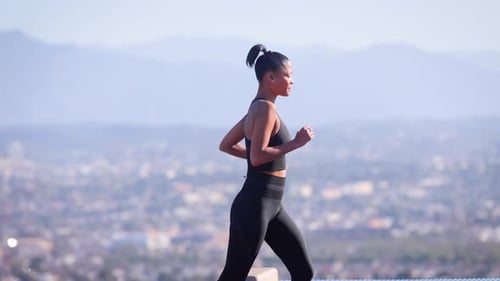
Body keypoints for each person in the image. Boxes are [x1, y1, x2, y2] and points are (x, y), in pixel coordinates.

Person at [217, 44, 315, 281]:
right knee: (233, 276)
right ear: (270, 77)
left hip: (271, 205)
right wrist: (296, 143)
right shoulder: (264, 109)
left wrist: (254, 158)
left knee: (303, 271)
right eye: (288, 75)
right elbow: (258, 155)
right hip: (255, 205)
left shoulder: (258, 107)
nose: (292, 81)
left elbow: (228, 145)